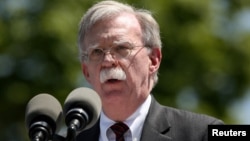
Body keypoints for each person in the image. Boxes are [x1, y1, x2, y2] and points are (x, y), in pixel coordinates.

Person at [76, 0, 224, 141]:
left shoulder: (203, 133)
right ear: (86, 71)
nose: (107, 61)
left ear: (153, 60)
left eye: (121, 48)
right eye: (96, 52)